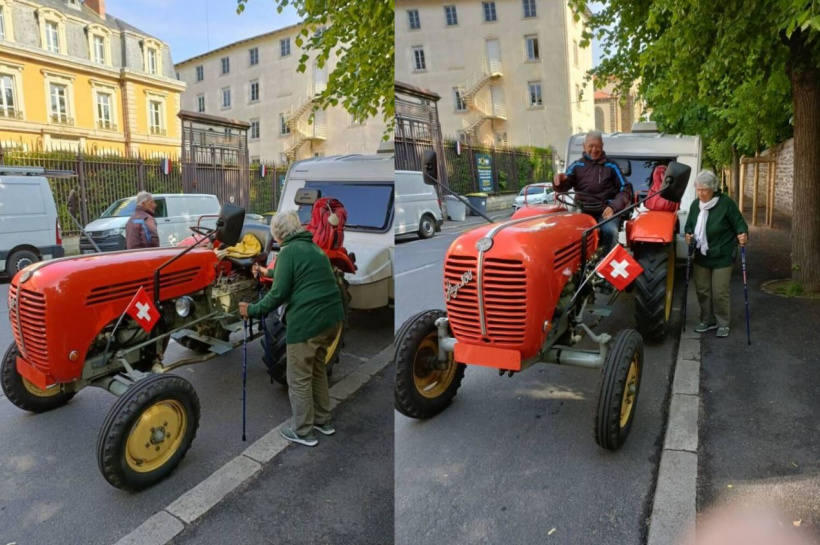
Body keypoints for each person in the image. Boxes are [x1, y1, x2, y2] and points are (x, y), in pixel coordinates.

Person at [238, 211, 345, 447]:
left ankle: (303, 431)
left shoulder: (287, 251)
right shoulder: (313, 248)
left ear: (278, 233)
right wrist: (268, 272)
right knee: (316, 370)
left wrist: (252, 310)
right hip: (332, 319)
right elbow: (294, 274)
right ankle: (323, 421)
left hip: (308, 323)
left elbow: (278, 294)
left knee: (297, 377)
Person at [684, 171, 748, 338]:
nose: (701, 193)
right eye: (698, 189)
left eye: (704, 190)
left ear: (713, 189)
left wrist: (742, 234)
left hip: (722, 255)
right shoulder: (695, 205)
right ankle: (707, 320)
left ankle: (723, 322)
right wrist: (688, 234)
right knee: (703, 290)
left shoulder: (726, 203)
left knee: (720, 292)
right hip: (701, 255)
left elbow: (739, 223)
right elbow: (689, 225)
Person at [553, 130, 631, 253]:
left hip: (605, 212)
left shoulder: (612, 166)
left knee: (611, 231)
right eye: (591, 146)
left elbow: (626, 189)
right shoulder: (576, 166)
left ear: (602, 146)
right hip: (582, 211)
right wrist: (559, 181)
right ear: (584, 146)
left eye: (597, 146)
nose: (594, 150)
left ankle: (608, 266)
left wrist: (614, 207)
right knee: (567, 232)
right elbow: (564, 185)